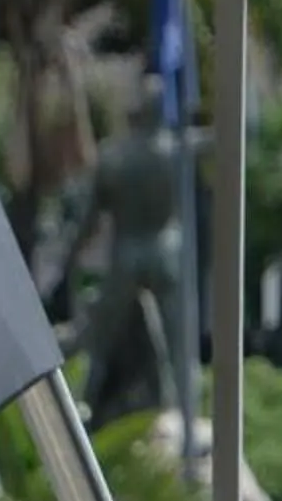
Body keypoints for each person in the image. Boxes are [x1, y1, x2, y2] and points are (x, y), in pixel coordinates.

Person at [58, 76, 198, 430]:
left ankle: (80, 407)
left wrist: (69, 260)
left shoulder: (114, 157)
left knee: (99, 340)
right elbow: (232, 139)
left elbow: (90, 220)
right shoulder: (175, 150)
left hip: (127, 253)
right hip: (165, 250)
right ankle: (187, 413)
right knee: (179, 340)